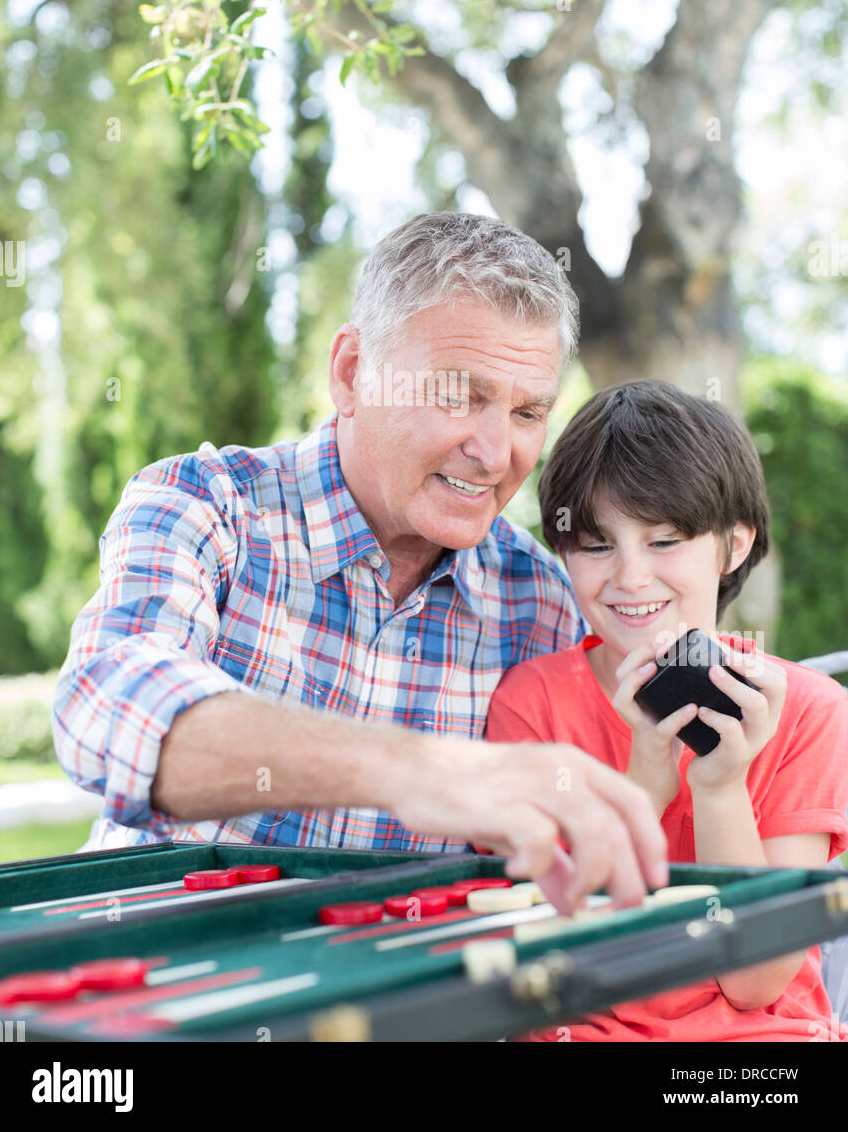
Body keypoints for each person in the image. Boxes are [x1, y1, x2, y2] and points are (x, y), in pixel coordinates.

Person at [52, 212, 668, 914]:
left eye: (528, 413)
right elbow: (105, 715)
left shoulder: (541, 602)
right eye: (457, 395)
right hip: (155, 979)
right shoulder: (207, 505)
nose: (497, 456)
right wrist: (423, 770)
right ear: (351, 373)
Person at [487, 379, 848, 1040]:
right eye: (598, 545)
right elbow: (545, 954)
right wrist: (645, 787)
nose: (629, 578)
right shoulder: (532, 703)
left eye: (664, 540)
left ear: (734, 545)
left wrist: (719, 789)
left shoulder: (812, 712)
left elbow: (755, 982)